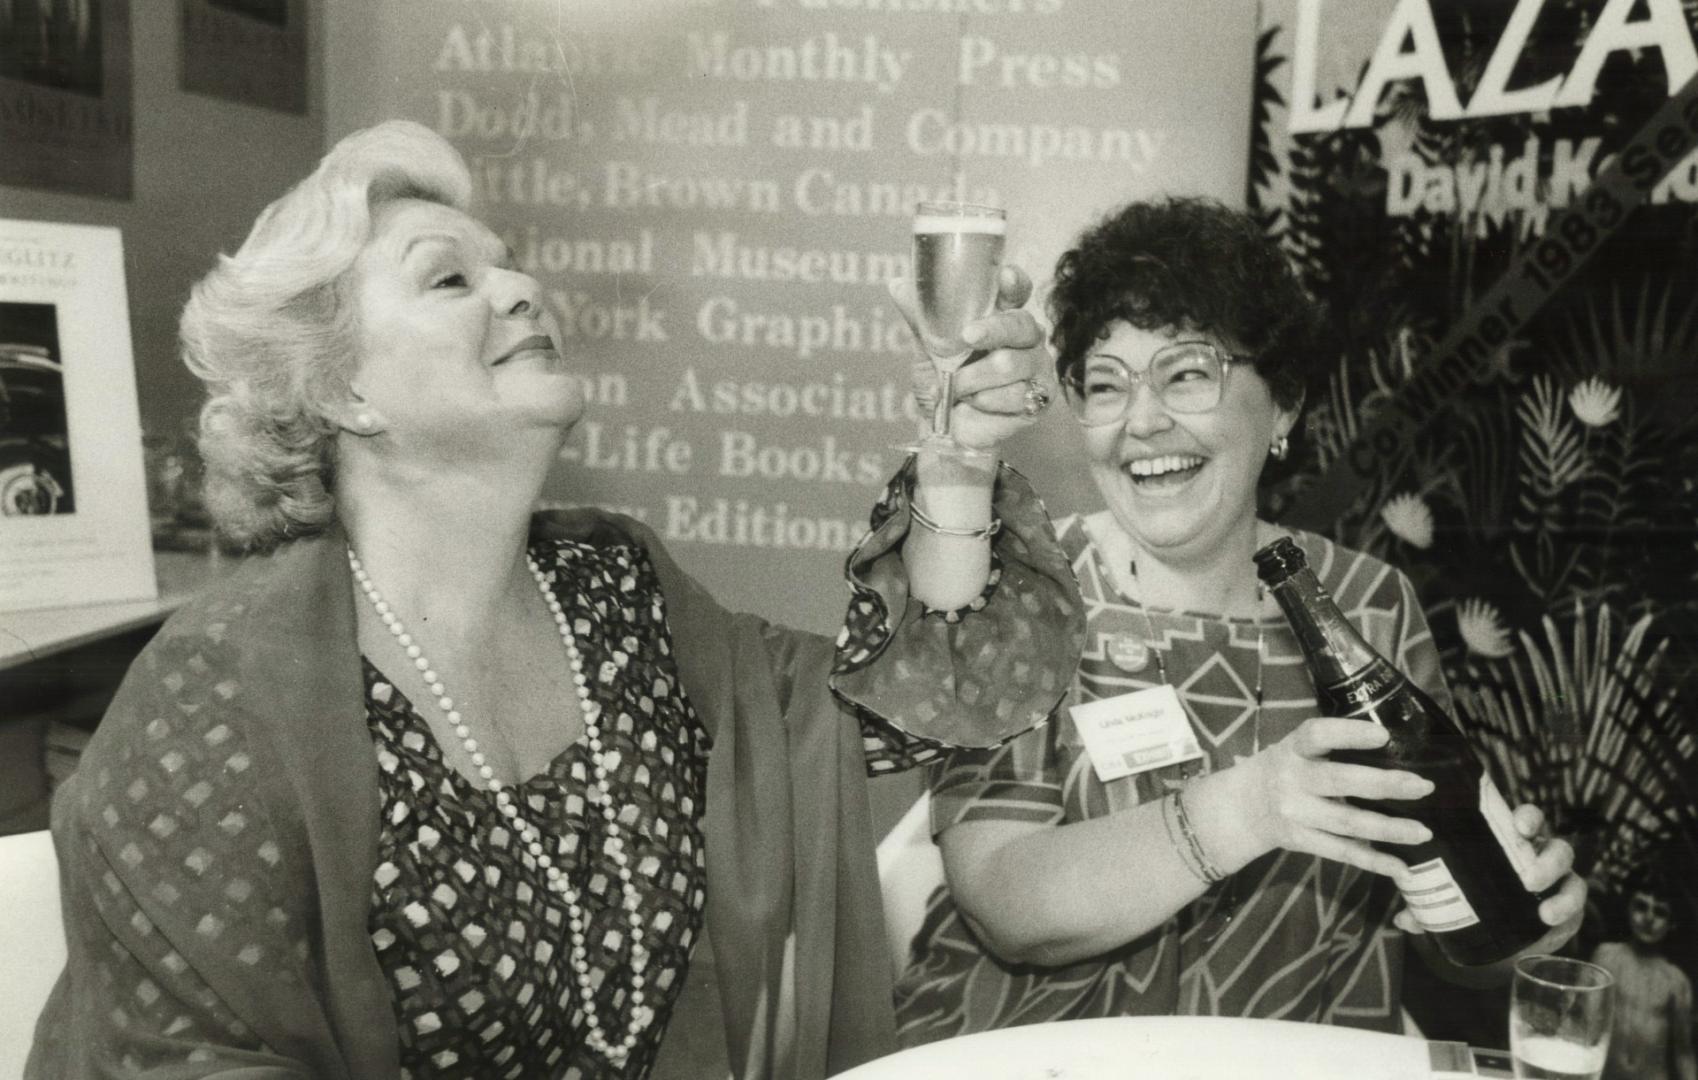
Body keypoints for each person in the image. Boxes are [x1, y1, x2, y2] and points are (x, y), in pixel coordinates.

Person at [25, 120, 1085, 1080]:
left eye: (512, 264)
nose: (523, 289)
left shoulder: (615, 592)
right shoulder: (218, 692)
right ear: (340, 391)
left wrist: (960, 453)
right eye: (449, 281)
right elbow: (191, 1063)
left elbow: (917, 690)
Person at [893, 195, 1586, 1043]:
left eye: (1187, 373)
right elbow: (1002, 898)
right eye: (1106, 385)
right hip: (1037, 1057)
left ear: (1285, 405)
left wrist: (1527, 915)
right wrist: (1251, 807)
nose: (1142, 422)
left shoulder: (1368, 605)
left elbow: (1444, 919)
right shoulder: (1018, 585)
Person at [1591, 866, 1697, 1080]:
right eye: (1641, 906)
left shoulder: (1676, 980)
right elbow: (1585, 1024)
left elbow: (1683, 1053)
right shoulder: (1606, 957)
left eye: (1660, 912)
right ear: (1628, 907)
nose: (1648, 918)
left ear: (1672, 923)